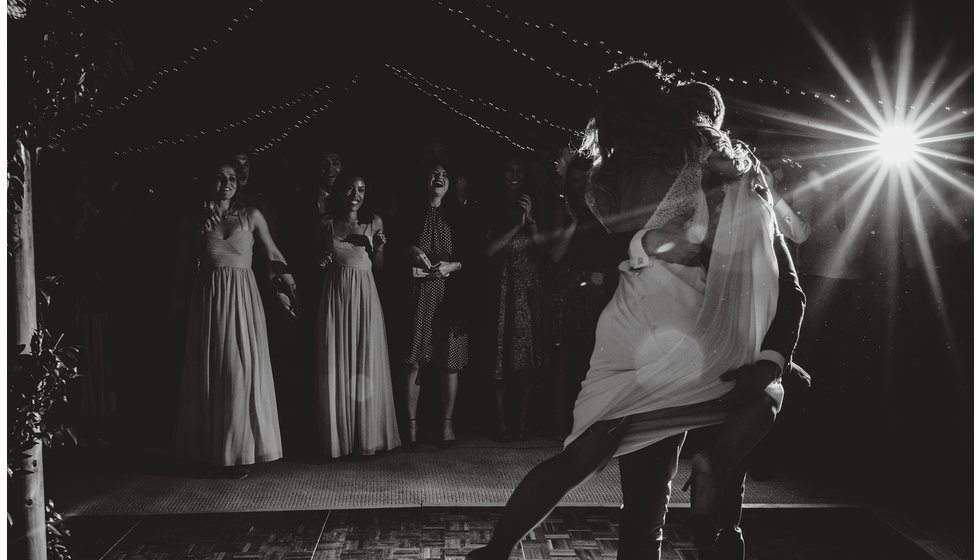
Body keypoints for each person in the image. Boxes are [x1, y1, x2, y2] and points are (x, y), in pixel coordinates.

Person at [466, 62, 805, 560]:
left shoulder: (604, 176)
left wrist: (642, 239)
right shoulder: (732, 173)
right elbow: (777, 282)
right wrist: (772, 357)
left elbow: (595, 250)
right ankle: (717, 463)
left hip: (630, 327)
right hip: (699, 324)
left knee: (589, 464)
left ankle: (495, 551)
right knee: (765, 399)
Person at [175, 158, 298, 479]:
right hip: (209, 299)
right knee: (213, 368)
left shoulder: (250, 216)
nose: (227, 183)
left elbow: (272, 255)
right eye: (219, 177)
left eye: (231, 178)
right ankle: (212, 450)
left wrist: (289, 287)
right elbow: (184, 268)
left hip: (243, 298)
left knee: (240, 370)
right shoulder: (196, 218)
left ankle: (240, 451)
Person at [313, 170, 401, 458]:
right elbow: (320, 261)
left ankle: (366, 437)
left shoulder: (373, 222)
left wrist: (381, 248)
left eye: (361, 190)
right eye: (351, 189)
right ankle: (339, 440)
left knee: (365, 360)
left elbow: (378, 266)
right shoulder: (327, 224)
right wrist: (321, 260)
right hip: (336, 294)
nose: (356, 195)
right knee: (337, 360)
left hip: (364, 295)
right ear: (341, 193)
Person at [396, 162, 471, 447]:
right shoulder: (409, 211)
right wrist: (409, 249)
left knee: (449, 361)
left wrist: (452, 265)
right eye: (434, 173)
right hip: (417, 294)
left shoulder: (459, 215)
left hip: (451, 295)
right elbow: (394, 249)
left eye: (445, 174)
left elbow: (473, 255)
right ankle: (411, 427)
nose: (439, 178)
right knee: (414, 359)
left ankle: (447, 426)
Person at [483, 155, 551, 441]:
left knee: (526, 353)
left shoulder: (534, 204)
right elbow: (489, 250)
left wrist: (531, 219)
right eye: (509, 169)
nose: (514, 174)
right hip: (500, 286)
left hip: (527, 288)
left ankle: (522, 421)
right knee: (499, 353)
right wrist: (516, 225)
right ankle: (499, 422)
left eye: (519, 170)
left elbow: (546, 251)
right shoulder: (493, 206)